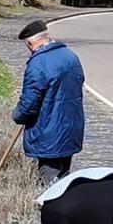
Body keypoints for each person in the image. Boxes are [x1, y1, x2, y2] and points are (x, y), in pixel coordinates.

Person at [12, 20, 85, 184]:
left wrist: (17, 115)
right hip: (71, 127)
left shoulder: (38, 63)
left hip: (49, 132)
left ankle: (47, 207)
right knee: (64, 177)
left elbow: (29, 102)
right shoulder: (70, 56)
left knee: (48, 183)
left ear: (31, 43)